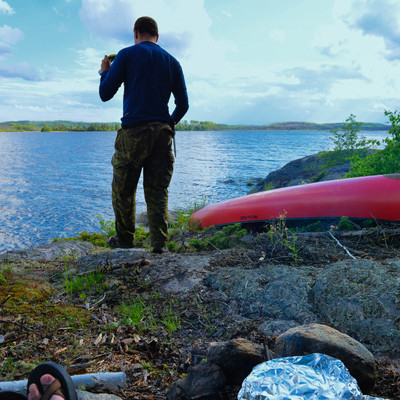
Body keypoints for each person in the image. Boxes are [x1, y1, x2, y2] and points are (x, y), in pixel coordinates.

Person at [99, 16, 189, 253]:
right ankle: (159, 244)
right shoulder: (173, 62)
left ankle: (125, 242)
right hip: (162, 134)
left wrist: (104, 72)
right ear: (157, 37)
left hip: (133, 133)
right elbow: (183, 105)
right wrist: (169, 124)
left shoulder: (126, 55)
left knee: (123, 190)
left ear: (135, 33)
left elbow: (105, 93)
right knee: (157, 190)